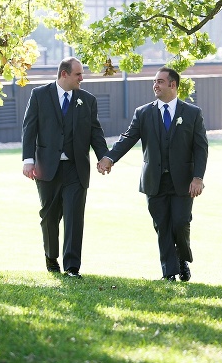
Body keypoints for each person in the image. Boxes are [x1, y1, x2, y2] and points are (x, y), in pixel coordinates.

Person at [98, 66, 208, 281]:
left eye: (160, 81)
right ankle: (169, 273)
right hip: (153, 180)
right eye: (154, 81)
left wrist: (198, 178)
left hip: (183, 181)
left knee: (180, 223)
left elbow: (201, 148)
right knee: (162, 226)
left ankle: (182, 258)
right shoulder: (143, 112)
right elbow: (128, 138)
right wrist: (109, 158)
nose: (155, 85)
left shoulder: (192, 113)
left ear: (172, 85)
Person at [22, 57, 109, 278]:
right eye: (78, 74)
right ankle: (51, 257)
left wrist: (104, 157)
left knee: (74, 217)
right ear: (64, 74)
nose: (82, 78)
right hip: (46, 167)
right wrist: (28, 160)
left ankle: (72, 267)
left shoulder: (87, 100)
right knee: (49, 216)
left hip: (76, 168)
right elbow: (29, 129)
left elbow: (95, 132)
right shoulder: (39, 95)